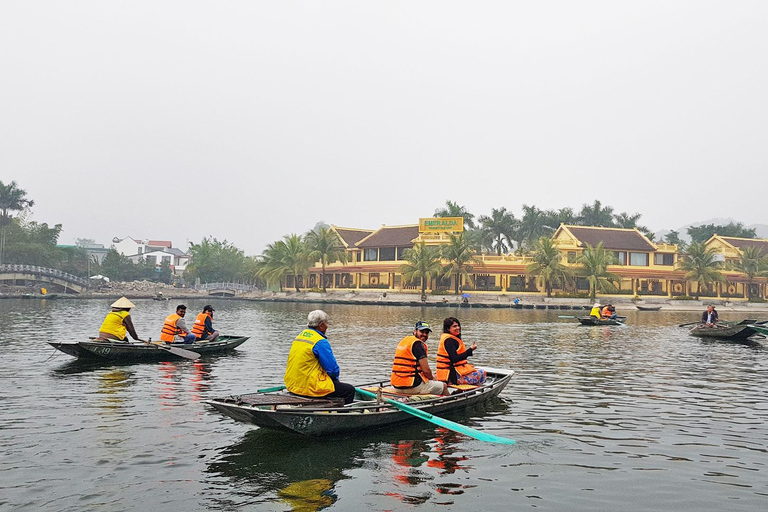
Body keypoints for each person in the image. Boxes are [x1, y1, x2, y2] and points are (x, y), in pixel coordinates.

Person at [284, 310, 355, 404]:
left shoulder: (299, 337)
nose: (327, 326)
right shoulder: (320, 341)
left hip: (293, 385)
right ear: (321, 325)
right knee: (349, 390)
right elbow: (332, 370)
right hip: (310, 388)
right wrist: (335, 381)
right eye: (327, 324)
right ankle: (343, 415)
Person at [391, 321, 448, 396]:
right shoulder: (418, 345)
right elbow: (426, 371)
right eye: (422, 331)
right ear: (415, 331)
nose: (424, 334)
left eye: (426, 332)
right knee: (443, 386)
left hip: (396, 385)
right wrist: (433, 378)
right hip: (412, 387)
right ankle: (452, 405)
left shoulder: (404, 341)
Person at [436, 317, 486, 385]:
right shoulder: (449, 340)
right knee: (482, 372)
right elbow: (454, 359)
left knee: (473, 368)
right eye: (454, 326)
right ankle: (472, 390)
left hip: (446, 373)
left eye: (458, 325)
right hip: (451, 375)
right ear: (448, 329)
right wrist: (470, 350)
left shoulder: (448, 338)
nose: (458, 328)